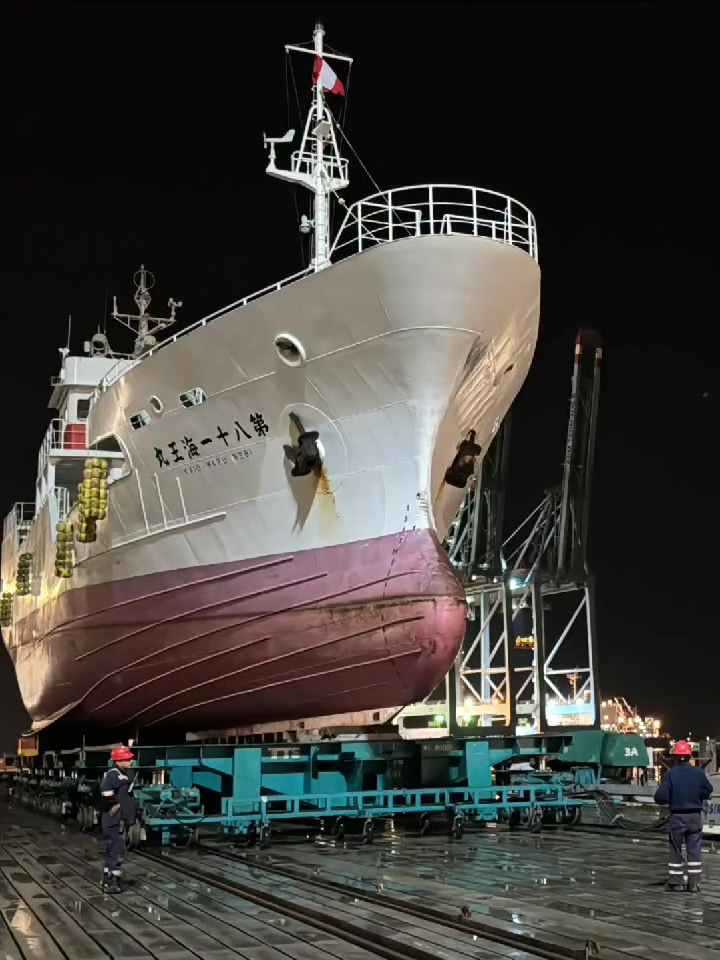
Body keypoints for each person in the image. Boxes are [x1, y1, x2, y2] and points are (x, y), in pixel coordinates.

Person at [654, 740, 712, 892]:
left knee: (676, 848)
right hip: (695, 817)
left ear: (675, 757)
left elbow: (660, 797)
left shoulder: (670, 774)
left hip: (677, 817)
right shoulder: (698, 773)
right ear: (689, 755)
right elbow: (708, 790)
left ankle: (676, 882)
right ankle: (694, 883)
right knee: (694, 849)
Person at [100, 744, 136, 893]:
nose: (131, 761)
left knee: (115, 848)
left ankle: (109, 877)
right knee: (116, 848)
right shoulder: (113, 774)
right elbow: (105, 792)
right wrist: (117, 803)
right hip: (114, 820)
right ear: (119, 760)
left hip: (120, 818)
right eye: (128, 759)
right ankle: (111, 880)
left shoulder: (124, 774)